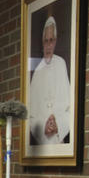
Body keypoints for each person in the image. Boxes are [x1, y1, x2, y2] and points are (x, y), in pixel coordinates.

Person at [29, 15, 71, 145]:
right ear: (42, 42)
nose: (48, 45)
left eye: (51, 40)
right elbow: (30, 114)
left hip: (59, 141)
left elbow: (70, 108)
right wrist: (43, 127)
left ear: (56, 41)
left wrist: (57, 123)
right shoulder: (37, 71)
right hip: (41, 143)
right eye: (46, 41)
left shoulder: (61, 64)